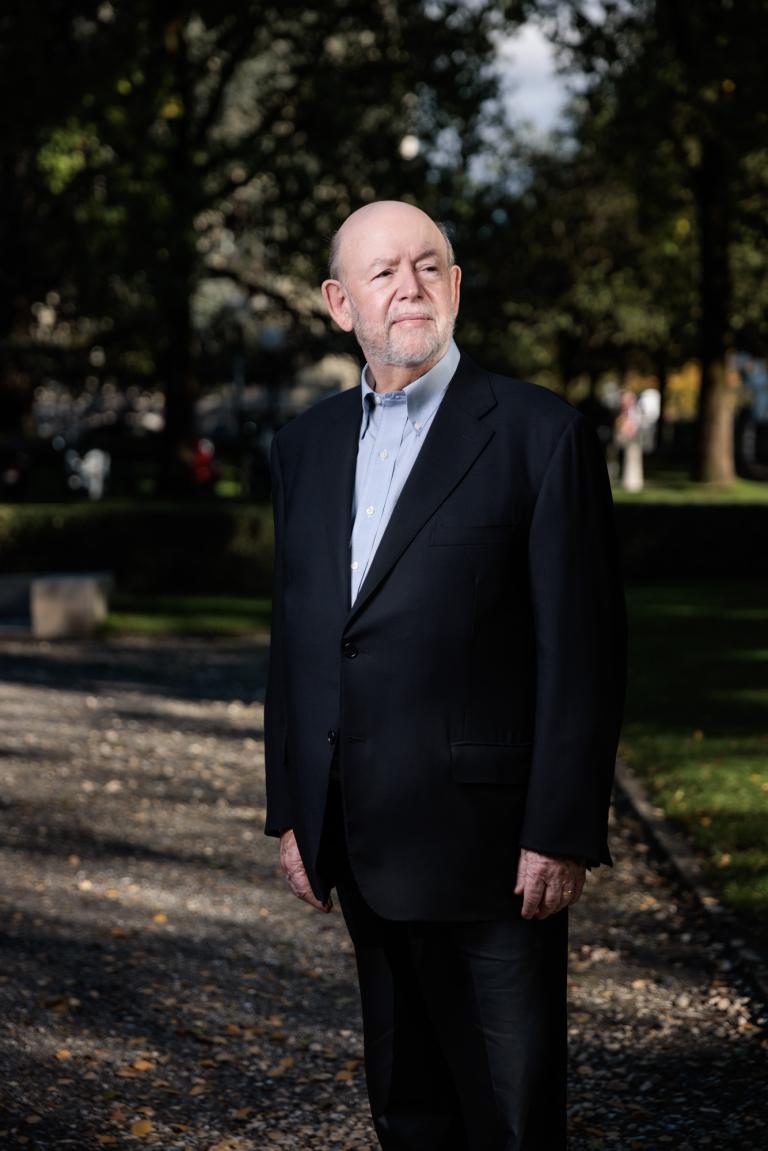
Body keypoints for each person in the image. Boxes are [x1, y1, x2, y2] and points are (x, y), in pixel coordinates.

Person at [264, 200, 626, 1150]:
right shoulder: (303, 446)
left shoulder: (540, 434)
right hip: (361, 835)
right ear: (342, 304)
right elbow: (297, 638)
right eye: (383, 273)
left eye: (430, 266)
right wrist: (295, 808)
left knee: (510, 1114)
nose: (410, 286)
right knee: (409, 1105)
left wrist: (560, 828)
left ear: (457, 287)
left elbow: (583, 652)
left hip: (494, 850)